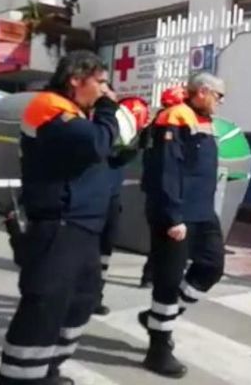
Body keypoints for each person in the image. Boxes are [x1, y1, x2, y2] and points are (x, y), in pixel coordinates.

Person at [0, 51, 119, 385]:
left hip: (82, 225)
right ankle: (17, 379)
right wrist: (109, 110)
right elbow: (95, 145)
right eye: (101, 82)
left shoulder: (77, 114)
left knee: (81, 300)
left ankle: (46, 369)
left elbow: (104, 155)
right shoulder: (50, 106)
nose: (106, 90)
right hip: (58, 224)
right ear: (76, 79)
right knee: (45, 303)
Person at [137, 73, 226, 378]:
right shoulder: (175, 117)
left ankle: (158, 317)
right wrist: (173, 217)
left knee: (211, 267)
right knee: (168, 280)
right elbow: (167, 171)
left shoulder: (201, 120)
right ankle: (158, 350)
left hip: (203, 212)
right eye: (219, 95)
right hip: (176, 214)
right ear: (202, 92)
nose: (220, 102)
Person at [95, 90, 150, 316]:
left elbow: (118, 160)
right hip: (92, 199)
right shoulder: (97, 131)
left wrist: (136, 144)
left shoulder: (121, 139)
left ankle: (95, 296)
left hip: (111, 199)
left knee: (105, 250)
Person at [138, 85, 189, 289]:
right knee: (170, 236)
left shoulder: (154, 122)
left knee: (157, 235)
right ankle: (162, 277)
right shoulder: (172, 122)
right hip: (165, 189)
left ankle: (149, 276)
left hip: (151, 188)